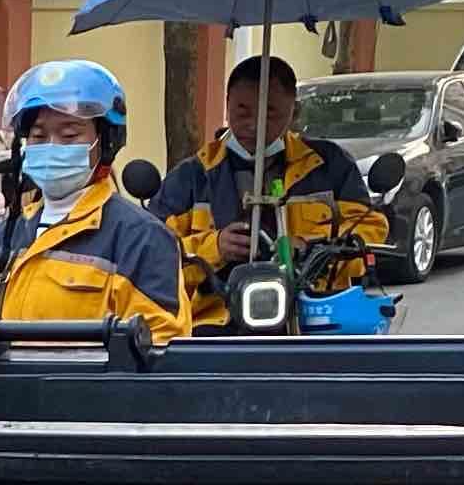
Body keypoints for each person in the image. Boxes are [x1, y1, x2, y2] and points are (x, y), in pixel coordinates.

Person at [154, 52, 388, 318]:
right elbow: (154, 254)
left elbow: (370, 229)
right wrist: (214, 247)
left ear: (293, 112)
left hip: (313, 313)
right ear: (227, 104)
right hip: (216, 320)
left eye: (270, 113)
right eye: (242, 111)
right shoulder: (192, 177)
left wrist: (312, 248)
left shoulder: (330, 165)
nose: (254, 125)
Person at [0, 58, 193, 335]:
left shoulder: (140, 237)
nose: (52, 146)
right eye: (38, 136)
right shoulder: (5, 234)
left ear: (106, 142)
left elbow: (160, 343)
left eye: (69, 135)